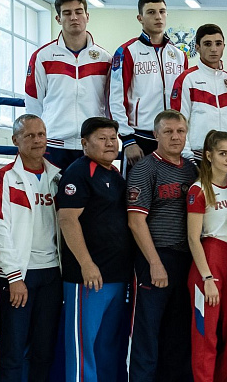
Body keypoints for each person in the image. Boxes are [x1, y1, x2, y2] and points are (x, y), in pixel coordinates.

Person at [56, 117, 134, 382]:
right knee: (83, 348)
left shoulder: (114, 173)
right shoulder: (78, 173)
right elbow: (68, 220)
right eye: (102, 138)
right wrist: (86, 264)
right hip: (88, 278)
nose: (110, 143)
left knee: (107, 346)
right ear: (84, 143)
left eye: (113, 138)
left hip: (116, 275)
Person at [0, 115, 62, 382]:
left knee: (44, 351)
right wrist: (14, 276)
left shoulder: (57, 177)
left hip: (52, 273)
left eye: (41, 134)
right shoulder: (4, 177)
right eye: (29, 135)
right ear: (15, 140)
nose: (37, 140)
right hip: (18, 275)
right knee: (12, 351)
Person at [125, 110, 197, 381]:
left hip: (185, 259)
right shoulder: (145, 168)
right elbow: (135, 222)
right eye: (168, 132)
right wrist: (154, 263)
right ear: (156, 135)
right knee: (147, 335)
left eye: (180, 131)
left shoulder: (191, 169)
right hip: (155, 257)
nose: (175, 137)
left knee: (178, 335)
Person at [25, 0, 112, 170]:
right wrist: (37, 137)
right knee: (53, 189)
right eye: (67, 13)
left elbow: (111, 103)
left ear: (87, 16)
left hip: (92, 143)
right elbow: (33, 102)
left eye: (79, 12)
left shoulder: (105, 59)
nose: (74, 17)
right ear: (58, 18)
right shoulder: (43, 56)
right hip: (54, 143)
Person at [185, 130, 227, 382]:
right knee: (205, 335)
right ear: (209, 155)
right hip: (209, 259)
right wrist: (207, 277)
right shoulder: (199, 189)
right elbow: (193, 238)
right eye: (223, 153)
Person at [108, 0, 187, 174]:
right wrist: (127, 140)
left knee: (170, 188)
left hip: (172, 136)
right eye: (151, 12)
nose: (158, 17)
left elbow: (183, 99)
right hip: (139, 137)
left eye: (162, 12)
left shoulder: (179, 55)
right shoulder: (127, 51)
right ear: (140, 18)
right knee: (137, 189)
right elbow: (116, 98)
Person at [171, 24, 227, 162]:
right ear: (197, 47)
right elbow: (178, 123)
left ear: (224, 46)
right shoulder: (187, 79)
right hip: (198, 156)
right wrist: (187, 157)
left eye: (218, 44)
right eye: (207, 44)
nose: (214, 49)